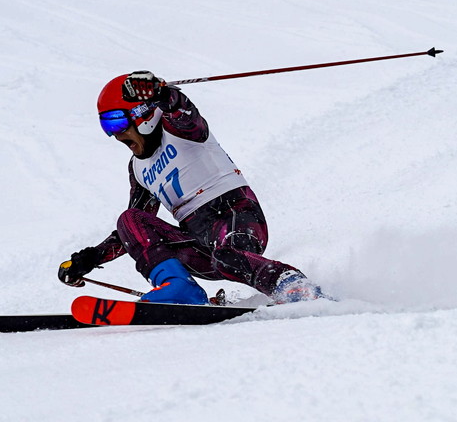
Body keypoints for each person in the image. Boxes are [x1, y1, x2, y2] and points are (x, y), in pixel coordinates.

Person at [58, 70, 323, 305]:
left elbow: (181, 110)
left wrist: (162, 93)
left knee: (227, 256)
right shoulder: (138, 169)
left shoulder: (178, 128)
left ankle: (292, 286)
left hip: (235, 215)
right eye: (106, 126)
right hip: (198, 243)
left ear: (144, 115)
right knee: (129, 220)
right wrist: (91, 258)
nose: (115, 133)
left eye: (116, 122)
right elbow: (136, 230)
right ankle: (179, 288)